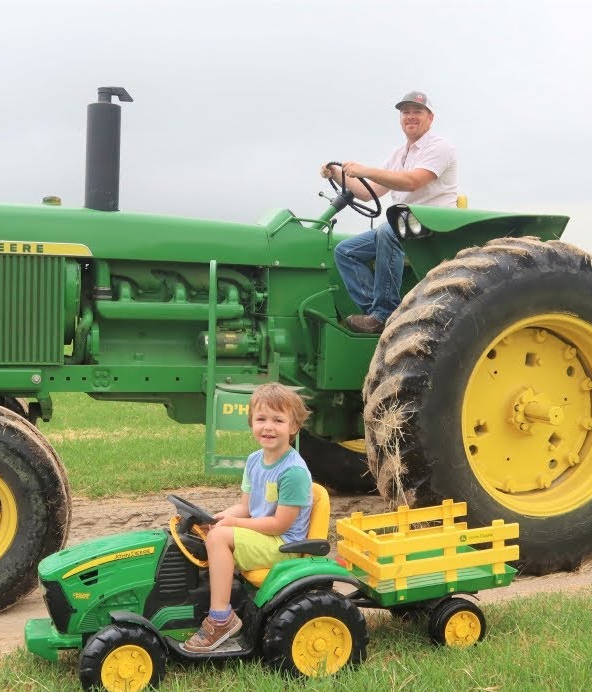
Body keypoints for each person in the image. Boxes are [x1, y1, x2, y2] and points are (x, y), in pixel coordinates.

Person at [181, 383, 314, 653]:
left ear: (294, 427)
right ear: (251, 423)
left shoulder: (293, 472)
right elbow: (246, 508)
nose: (268, 426)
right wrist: (220, 517)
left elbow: (280, 524)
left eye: (278, 420)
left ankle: (221, 619)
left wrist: (232, 525)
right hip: (263, 535)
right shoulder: (255, 461)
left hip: (284, 544)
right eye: (261, 419)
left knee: (219, 538)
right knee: (206, 532)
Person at [320, 91, 460, 334]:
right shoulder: (399, 154)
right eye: (406, 112)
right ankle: (379, 315)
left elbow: (413, 181)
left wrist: (366, 170)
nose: (411, 116)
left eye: (417, 111)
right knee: (346, 251)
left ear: (430, 117)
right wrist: (337, 173)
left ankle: (384, 313)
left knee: (389, 227)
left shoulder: (440, 147)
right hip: (404, 222)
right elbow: (368, 192)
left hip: (433, 224)